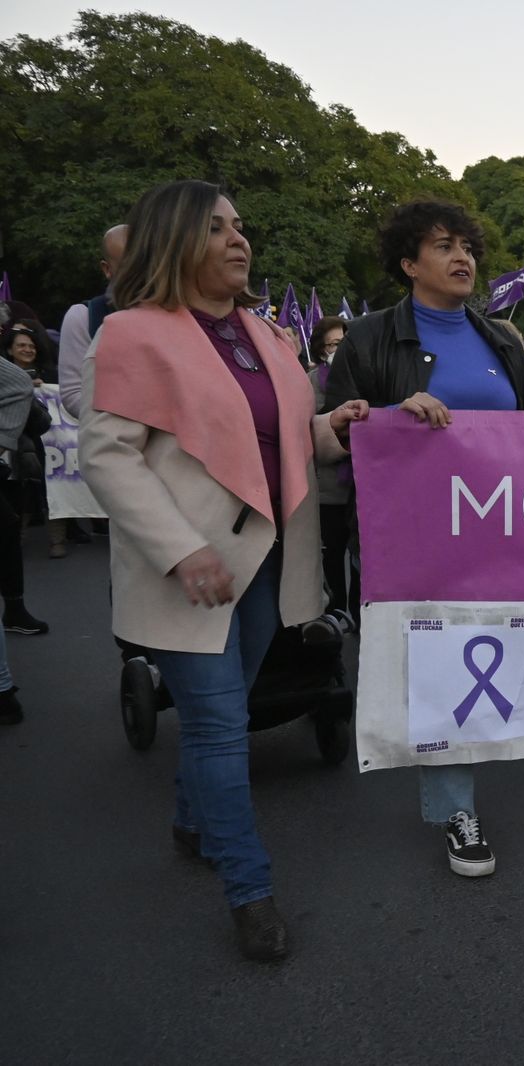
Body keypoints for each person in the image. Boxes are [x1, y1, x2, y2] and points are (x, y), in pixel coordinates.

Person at [78, 179, 369, 961]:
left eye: (240, 226)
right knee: (216, 724)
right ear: (174, 240)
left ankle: (189, 821)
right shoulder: (132, 334)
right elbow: (108, 458)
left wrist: (333, 427)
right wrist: (181, 549)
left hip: (266, 562)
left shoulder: (266, 335)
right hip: (190, 574)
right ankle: (250, 890)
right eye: (216, 228)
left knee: (228, 711)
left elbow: (281, 438)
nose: (239, 239)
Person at [323, 200, 524, 878]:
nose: (462, 257)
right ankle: (456, 809)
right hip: (415, 537)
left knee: (497, 656)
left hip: (499, 531)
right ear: (409, 264)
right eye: (443, 246)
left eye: (467, 247)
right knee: (444, 666)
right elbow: (333, 432)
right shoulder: (369, 338)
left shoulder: (501, 338)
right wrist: (392, 415)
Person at [0, 323, 52, 625]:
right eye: (21, 345)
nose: (27, 350)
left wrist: (26, 404)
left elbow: (42, 423)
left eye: (31, 346)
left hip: (13, 466)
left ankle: (15, 609)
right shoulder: (17, 378)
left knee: (9, 534)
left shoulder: (29, 380)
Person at [305, 316, 355, 619]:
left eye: (345, 342)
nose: (340, 349)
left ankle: (361, 616)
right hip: (329, 487)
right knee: (332, 555)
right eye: (334, 344)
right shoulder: (310, 382)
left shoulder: (363, 374)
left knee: (363, 557)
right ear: (321, 350)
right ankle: (336, 616)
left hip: (362, 484)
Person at [59, 224, 130, 419]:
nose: (141, 273)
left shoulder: (175, 313)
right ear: (107, 269)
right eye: (128, 266)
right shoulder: (84, 317)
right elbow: (73, 394)